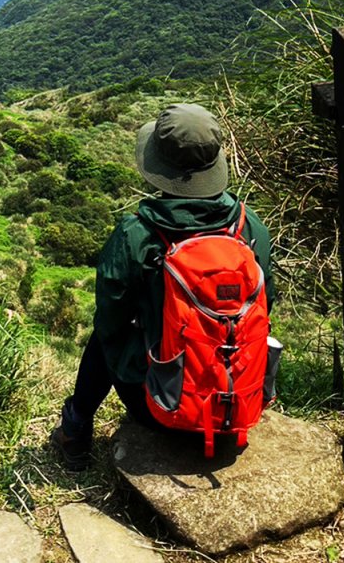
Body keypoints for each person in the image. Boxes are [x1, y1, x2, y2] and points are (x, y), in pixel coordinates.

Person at [50, 102, 274, 470]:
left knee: (102, 336)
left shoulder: (136, 234)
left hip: (159, 405)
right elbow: (269, 307)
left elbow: (111, 325)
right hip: (237, 404)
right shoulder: (250, 230)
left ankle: (75, 431)